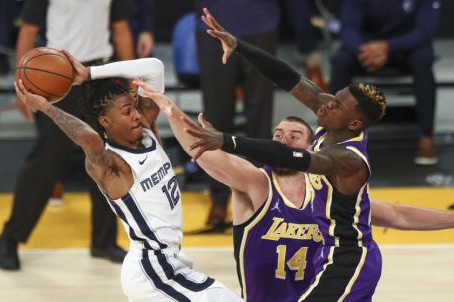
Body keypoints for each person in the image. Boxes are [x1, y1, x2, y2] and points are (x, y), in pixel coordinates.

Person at [137, 81, 454, 302]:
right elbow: (204, 151)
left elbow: (396, 213)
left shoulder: (328, 193)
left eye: (294, 135)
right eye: (277, 134)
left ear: (310, 148)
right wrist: (170, 110)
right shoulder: (256, 184)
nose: (283, 140)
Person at [185, 8, 385, 301]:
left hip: (350, 259)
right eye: (334, 96)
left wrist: (226, 141)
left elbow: (289, 157)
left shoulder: (349, 160)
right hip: (326, 254)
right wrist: (239, 46)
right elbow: (289, 76)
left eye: (337, 105)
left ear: (354, 124)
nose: (327, 103)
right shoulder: (332, 121)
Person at [13, 54, 243, 302]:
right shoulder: (112, 164)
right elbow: (89, 139)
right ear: (105, 121)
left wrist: (89, 74)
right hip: (151, 270)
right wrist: (46, 107)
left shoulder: (147, 130)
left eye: (133, 107)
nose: (135, 114)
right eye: (126, 111)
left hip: (172, 263)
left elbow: (154, 68)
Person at [0, 0, 134, 271]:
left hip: (99, 75)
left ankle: (104, 242)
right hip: (58, 75)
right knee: (46, 162)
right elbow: (28, 30)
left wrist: (131, 81)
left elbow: (120, 28)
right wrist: (22, 84)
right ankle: (10, 238)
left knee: (106, 159)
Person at [195, 0, 280, 229]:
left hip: (261, 21)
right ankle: (219, 196)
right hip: (214, 22)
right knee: (216, 116)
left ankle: (261, 195)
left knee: (260, 117)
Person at [330, 0, 441, 165]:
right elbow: (348, 29)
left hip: (406, 47)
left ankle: (426, 136)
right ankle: (335, 136)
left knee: (423, 59)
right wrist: (365, 51)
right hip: (367, 47)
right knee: (340, 60)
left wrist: (386, 47)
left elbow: (424, 32)